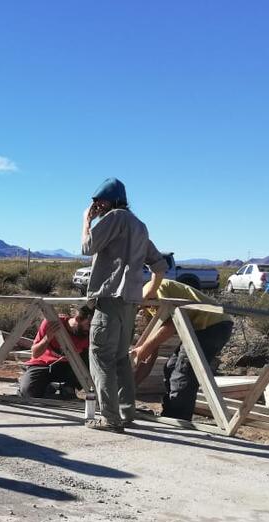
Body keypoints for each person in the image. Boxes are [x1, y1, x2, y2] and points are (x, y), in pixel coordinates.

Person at [81, 177, 168, 432]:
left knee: (101, 357)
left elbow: (87, 246)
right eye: (95, 203)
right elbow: (159, 264)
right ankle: (126, 412)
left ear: (114, 201)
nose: (98, 207)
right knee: (120, 359)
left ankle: (110, 418)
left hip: (110, 298)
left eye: (101, 202)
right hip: (130, 302)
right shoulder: (139, 226)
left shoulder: (115, 217)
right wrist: (149, 290)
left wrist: (86, 221)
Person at [131, 278, 234, 421]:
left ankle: (178, 418)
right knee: (170, 367)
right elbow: (152, 351)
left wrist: (143, 351)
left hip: (213, 325)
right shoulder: (149, 304)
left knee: (183, 372)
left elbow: (172, 323)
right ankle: (170, 413)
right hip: (200, 328)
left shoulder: (154, 290)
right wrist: (132, 386)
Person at [18, 306, 93, 400]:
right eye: (88, 325)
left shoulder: (89, 334)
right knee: (27, 393)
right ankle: (51, 387)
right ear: (77, 319)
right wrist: (47, 338)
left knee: (93, 358)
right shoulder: (53, 323)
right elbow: (35, 354)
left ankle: (68, 386)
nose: (90, 329)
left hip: (70, 367)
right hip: (44, 364)